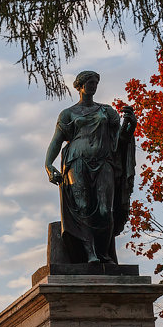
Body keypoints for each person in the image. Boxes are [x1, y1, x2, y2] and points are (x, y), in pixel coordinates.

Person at [43, 70, 137, 264]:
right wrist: (48, 165)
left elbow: (119, 140)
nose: (94, 86)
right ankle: (90, 254)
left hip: (104, 162)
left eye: (96, 82)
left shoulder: (107, 111)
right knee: (82, 207)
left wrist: (130, 125)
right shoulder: (68, 113)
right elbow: (56, 141)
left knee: (105, 210)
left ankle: (103, 253)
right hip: (76, 162)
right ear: (80, 86)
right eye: (90, 82)